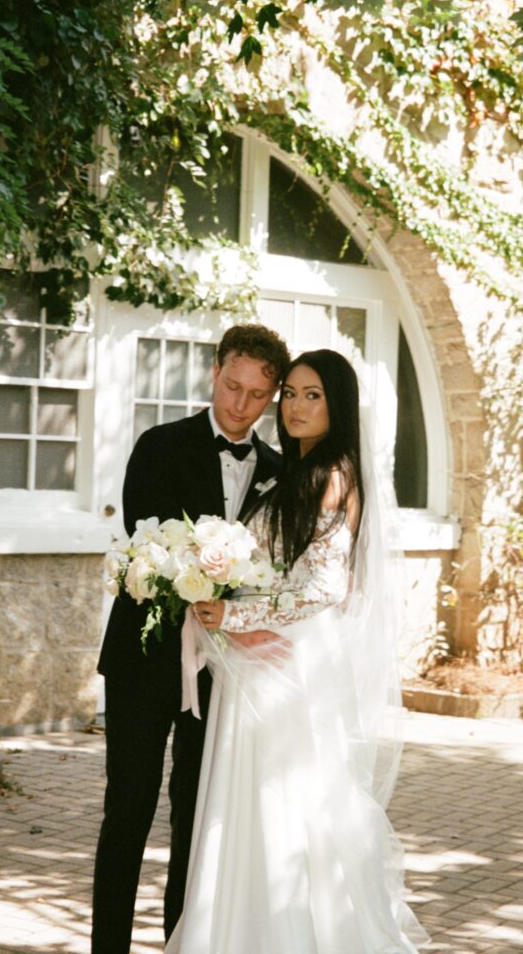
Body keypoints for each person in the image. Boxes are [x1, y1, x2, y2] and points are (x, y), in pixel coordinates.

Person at [166, 349, 430, 953]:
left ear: (337, 406)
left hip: (292, 664)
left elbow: (324, 588)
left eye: (313, 395)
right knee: (250, 806)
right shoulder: (294, 471)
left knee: (284, 805)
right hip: (256, 661)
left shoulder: (333, 474)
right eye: (289, 393)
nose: (295, 406)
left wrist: (233, 613)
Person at [92, 324, 291, 954]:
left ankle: (182, 943)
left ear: (273, 397)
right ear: (214, 372)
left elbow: (276, 571)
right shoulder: (159, 445)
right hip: (143, 660)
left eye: (258, 395)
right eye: (233, 386)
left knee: (198, 819)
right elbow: (144, 541)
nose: (240, 404)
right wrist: (201, 573)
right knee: (127, 810)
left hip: (224, 670)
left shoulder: (282, 475)